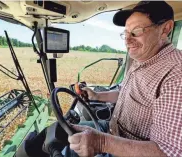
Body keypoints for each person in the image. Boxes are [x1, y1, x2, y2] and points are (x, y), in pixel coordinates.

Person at [66, 1, 182, 157]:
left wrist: (101, 143)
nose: (127, 41)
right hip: (112, 130)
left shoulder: (176, 74)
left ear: (165, 29)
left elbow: (170, 152)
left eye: (136, 32)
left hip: (125, 149)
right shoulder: (142, 58)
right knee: (62, 132)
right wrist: (97, 96)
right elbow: (126, 92)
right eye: (125, 33)